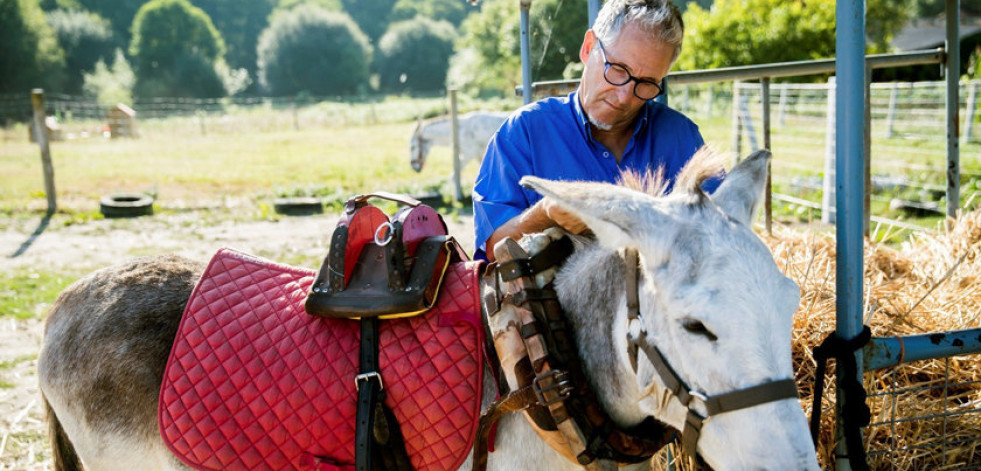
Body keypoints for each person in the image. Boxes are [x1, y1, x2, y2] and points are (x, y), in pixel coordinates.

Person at [472, 0, 718, 261]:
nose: (624, 97)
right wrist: (546, 213)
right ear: (588, 48)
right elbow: (491, 249)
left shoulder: (682, 138)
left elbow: (721, 235)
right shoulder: (523, 133)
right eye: (619, 69)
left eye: (646, 83)